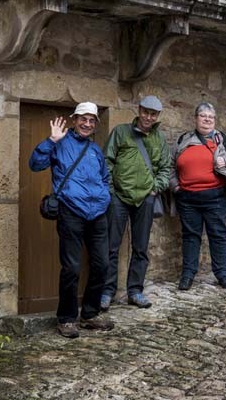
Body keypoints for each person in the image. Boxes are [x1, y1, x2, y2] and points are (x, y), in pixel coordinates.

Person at [28, 102, 114, 338]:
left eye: (92, 120)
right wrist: (51, 141)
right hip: (71, 212)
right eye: (83, 119)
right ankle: (66, 318)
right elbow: (35, 165)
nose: (87, 124)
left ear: (95, 124)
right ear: (74, 120)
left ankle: (90, 313)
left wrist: (104, 197)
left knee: (102, 265)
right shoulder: (60, 143)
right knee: (72, 268)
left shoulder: (95, 150)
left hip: (97, 213)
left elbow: (105, 177)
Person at [101, 95, 171, 310]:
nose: (148, 117)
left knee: (140, 247)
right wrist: (112, 191)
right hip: (119, 198)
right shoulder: (121, 132)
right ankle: (107, 291)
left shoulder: (159, 139)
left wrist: (155, 188)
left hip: (146, 199)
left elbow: (166, 168)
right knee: (111, 246)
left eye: (153, 114)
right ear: (139, 111)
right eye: (145, 112)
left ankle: (135, 291)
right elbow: (107, 161)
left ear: (157, 116)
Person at [169, 102, 226, 291]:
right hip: (187, 198)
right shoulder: (183, 139)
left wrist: (224, 159)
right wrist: (175, 186)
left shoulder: (223, 139)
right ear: (196, 119)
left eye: (210, 117)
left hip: (215, 197)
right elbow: (170, 166)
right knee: (190, 236)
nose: (207, 119)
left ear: (214, 120)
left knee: (218, 235)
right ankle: (188, 275)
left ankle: (222, 275)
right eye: (203, 116)